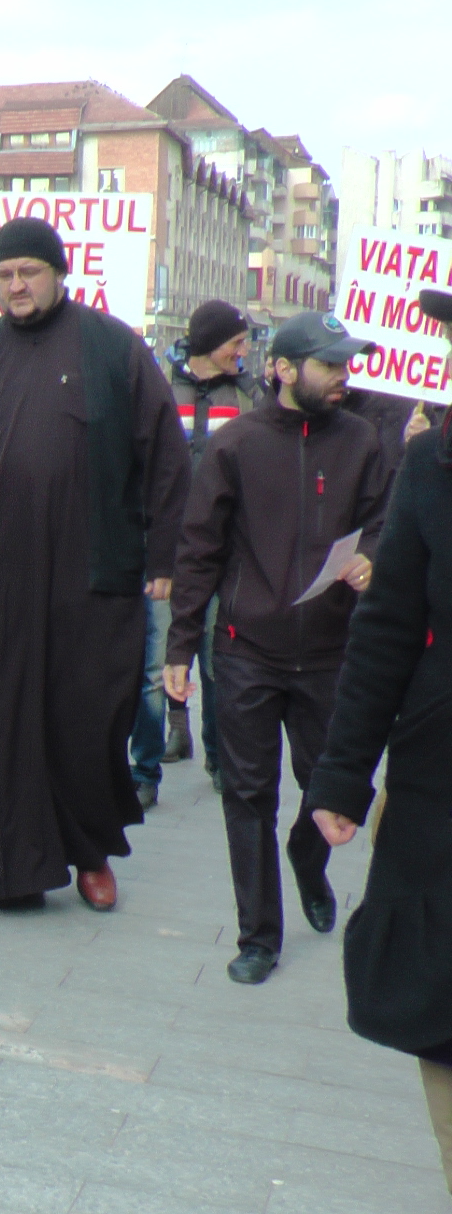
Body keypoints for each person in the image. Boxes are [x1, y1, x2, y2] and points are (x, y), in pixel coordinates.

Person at [0, 216, 190, 911]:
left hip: (94, 578)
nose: (16, 285)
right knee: (3, 726)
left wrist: (165, 556)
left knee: (88, 719)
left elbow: (166, 459)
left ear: (59, 273)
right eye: (4, 274)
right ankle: (14, 871)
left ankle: (89, 852)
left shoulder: (113, 349)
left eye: (29, 271)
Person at [167, 310, 390, 984]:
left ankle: (306, 855)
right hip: (246, 650)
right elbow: (199, 548)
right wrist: (180, 645)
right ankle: (258, 935)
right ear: (285, 370)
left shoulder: (365, 441)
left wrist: (373, 557)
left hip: (331, 650)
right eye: (330, 364)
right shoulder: (236, 445)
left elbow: (386, 522)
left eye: (347, 364)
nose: (344, 376)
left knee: (331, 791)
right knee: (247, 794)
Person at [306, 291, 452, 1187]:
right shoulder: (433, 464)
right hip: (441, 788)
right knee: (441, 1008)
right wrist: (340, 777)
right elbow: (387, 628)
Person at [144, 301, 268, 800]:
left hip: (226, 552)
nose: (244, 352)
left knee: (220, 661)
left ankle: (219, 758)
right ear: (207, 343)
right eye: (235, 343)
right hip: (166, 554)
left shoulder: (249, 394)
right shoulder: (158, 390)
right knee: (154, 666)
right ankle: (143, 770)